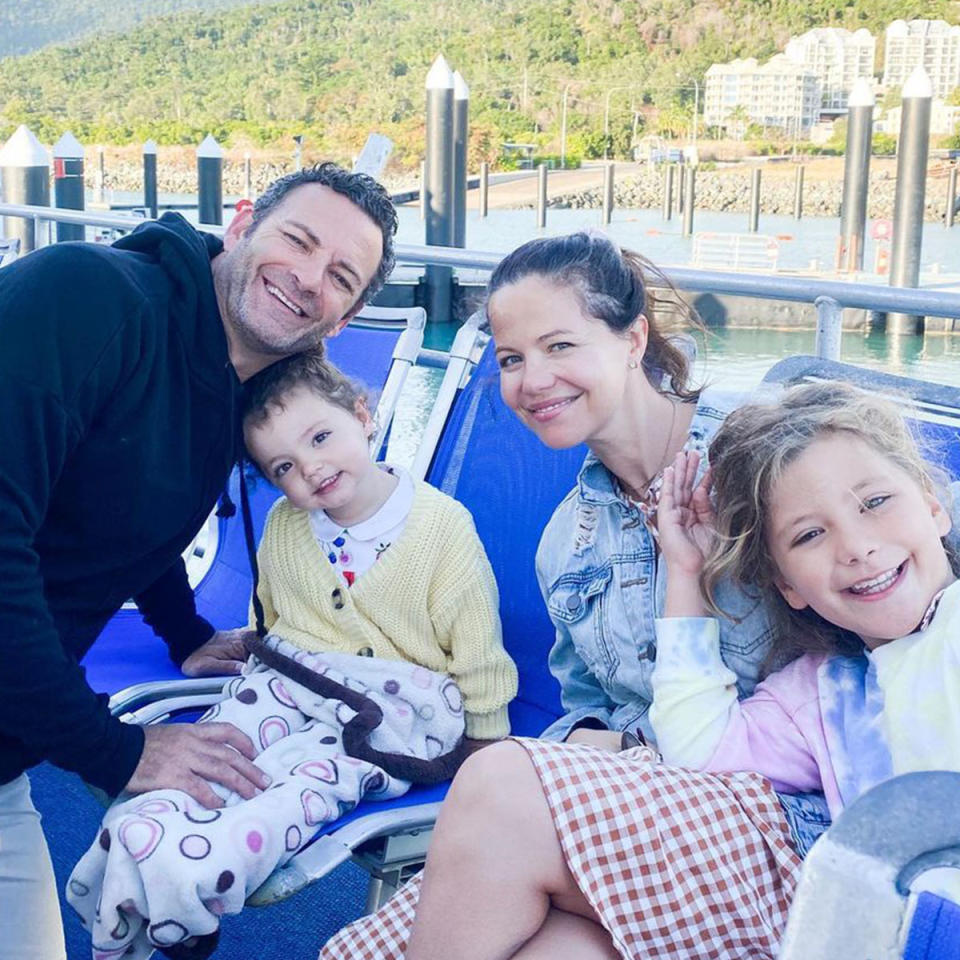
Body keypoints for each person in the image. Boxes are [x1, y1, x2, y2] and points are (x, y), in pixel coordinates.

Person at [318, 231, 799, 960]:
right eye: (511, 359)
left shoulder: (758, 464)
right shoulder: (566, 543)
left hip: (779, 825)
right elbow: (590, 703)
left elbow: (894, 588)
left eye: (559, 346)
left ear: (632, 337)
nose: (531, 380)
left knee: (499, 783)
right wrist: (585, 735)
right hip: (648, 817)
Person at [0, 161, 397, 960]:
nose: (307, 278)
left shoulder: (240, 396)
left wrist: (181, 627)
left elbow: (130, 502)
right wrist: (116, 752)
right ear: (244, 220)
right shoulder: (85, 298)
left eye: (339, 276)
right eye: (298, 239)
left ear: (344, 319)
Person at [68, 352, 517, 958]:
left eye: (321, 436)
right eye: (284, 466)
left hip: (393, 713)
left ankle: (197, 879)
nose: (311, 468)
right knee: (223, 749)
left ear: (365, 415)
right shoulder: (285, 525)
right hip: (294, 682)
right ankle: (145, 830)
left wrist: (486, 752)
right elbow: (270, 618)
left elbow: (479, 655)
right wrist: (256, 660)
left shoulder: (442, 531)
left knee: (302, 787)